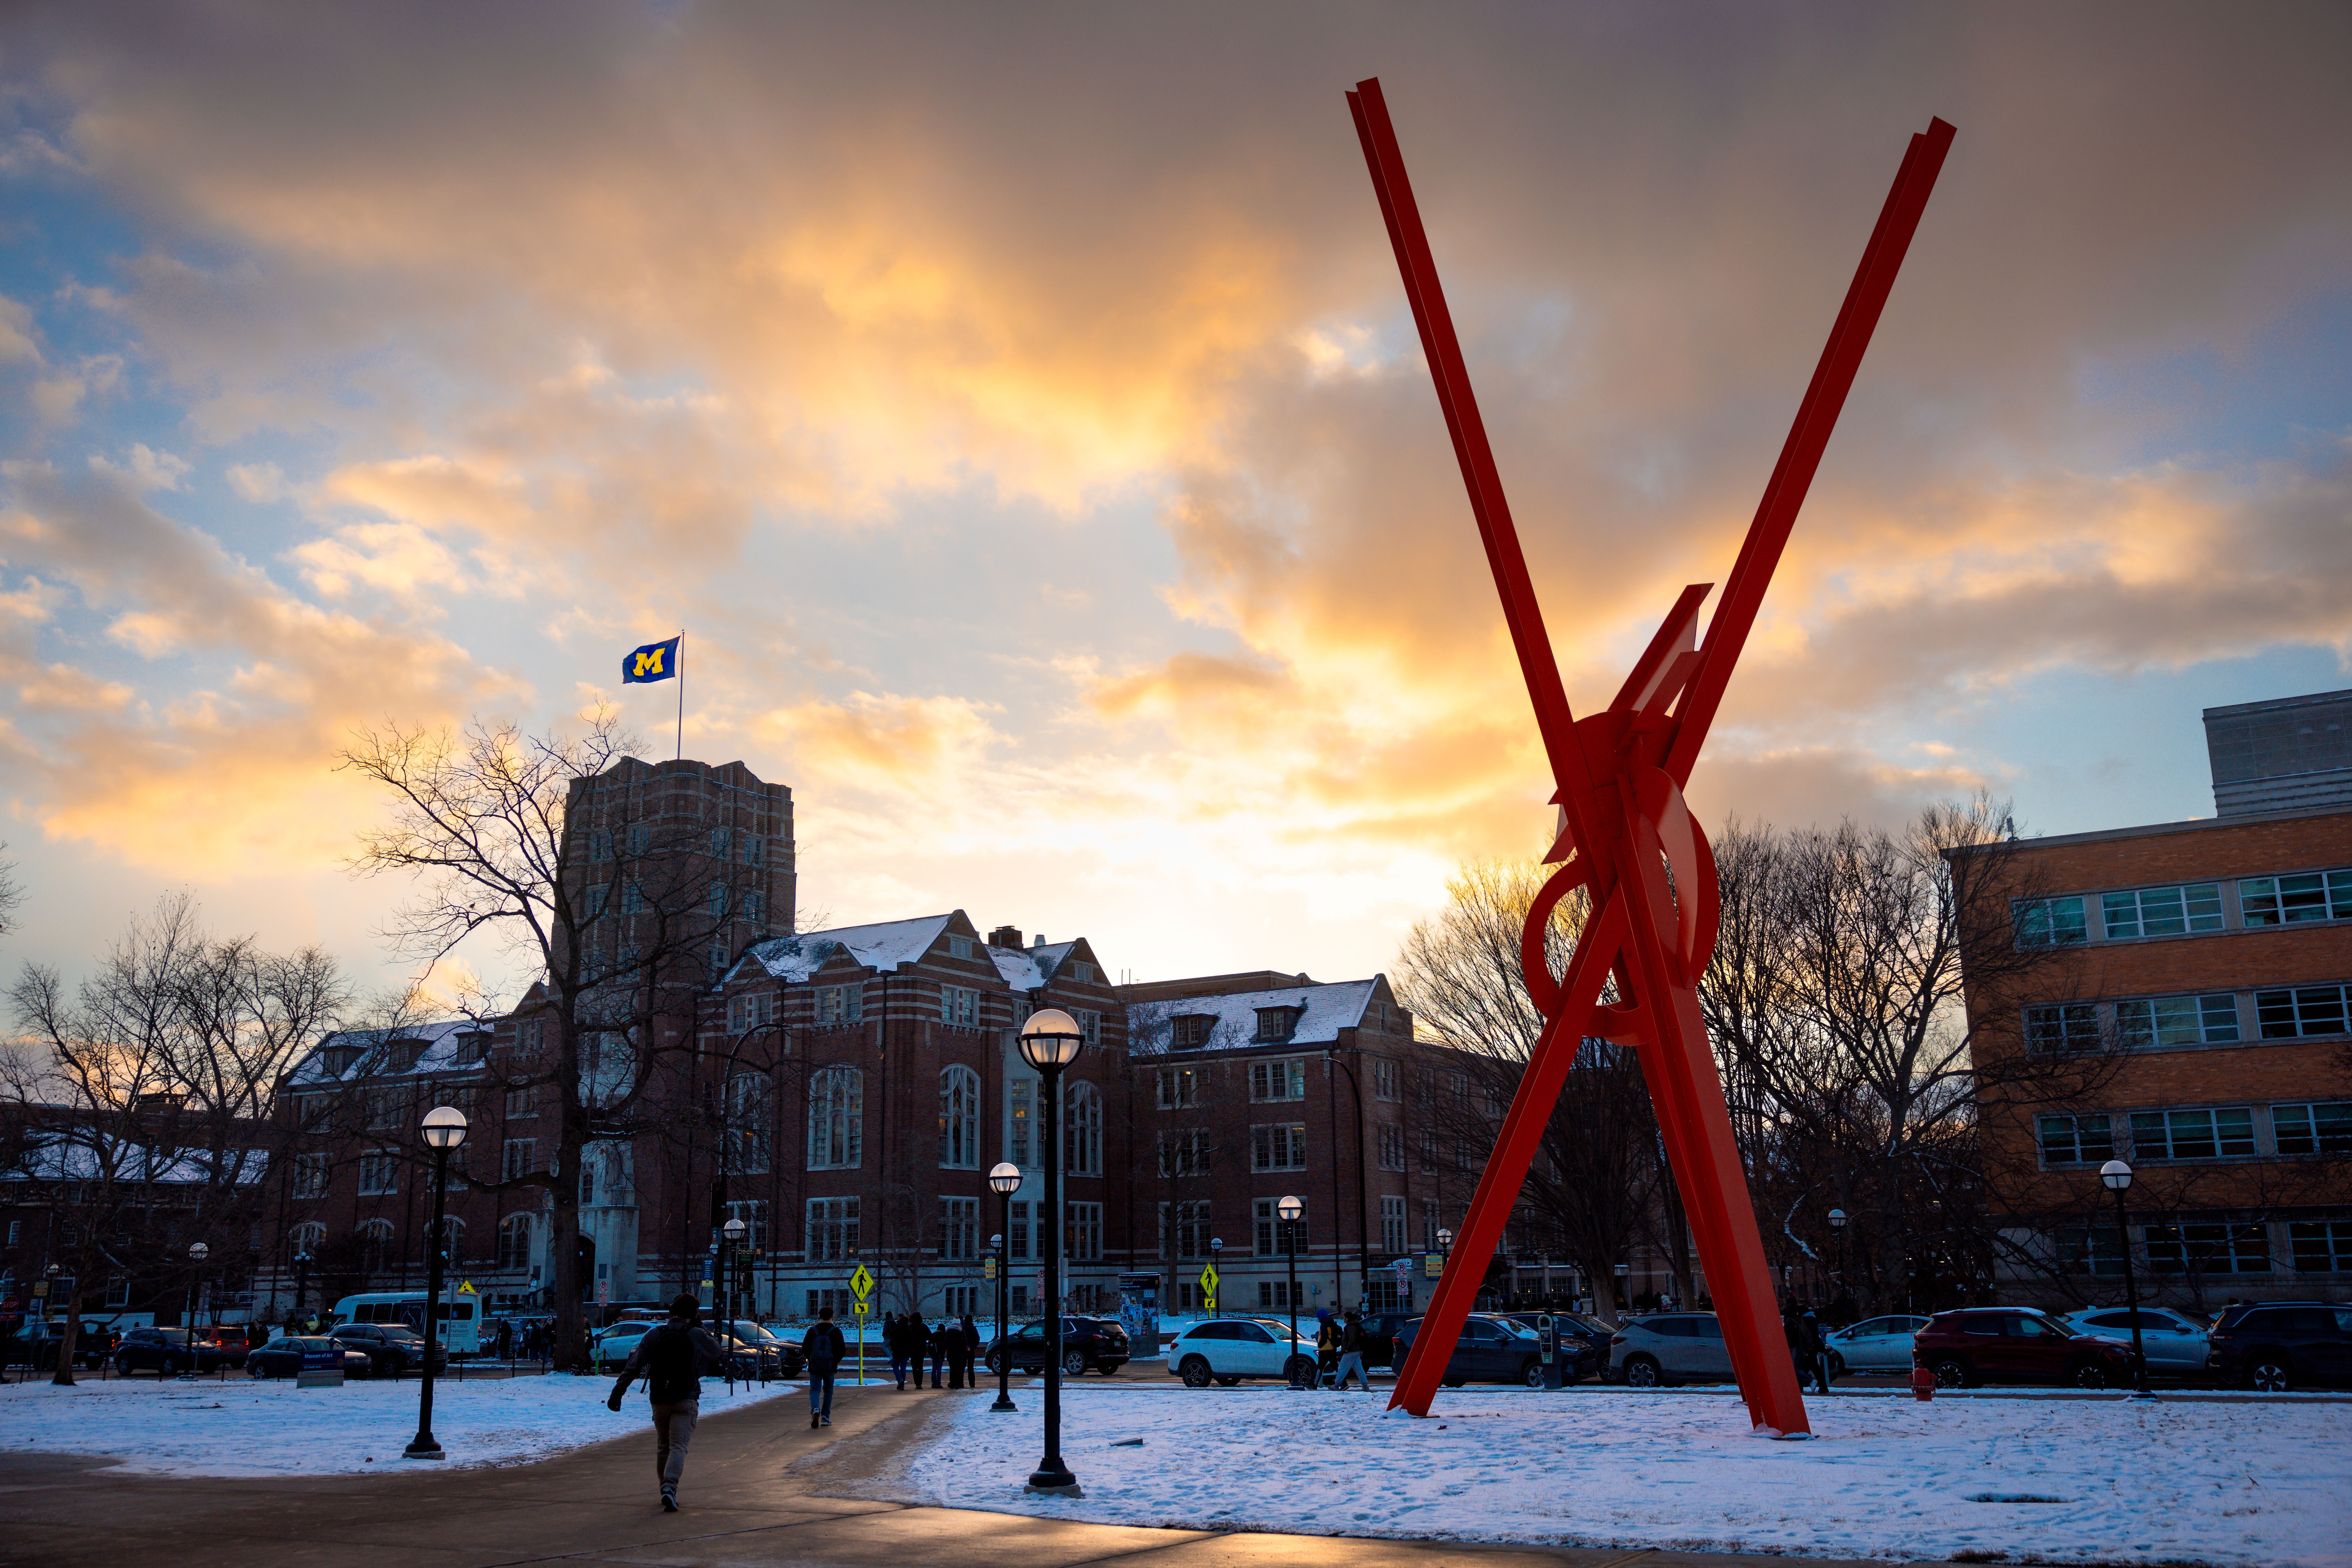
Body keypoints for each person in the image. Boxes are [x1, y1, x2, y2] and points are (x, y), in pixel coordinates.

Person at [605, 1293, 724, 1514]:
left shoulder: (654, 1334)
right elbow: (716, 1351)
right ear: (693, 1314)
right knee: (679, 1446)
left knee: (664, 1446)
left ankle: (665, 1488)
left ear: (672, 1312)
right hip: (686, 1397)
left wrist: (617, 1393)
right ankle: (670, 1486)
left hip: (659, 1397)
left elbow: (633, 1366)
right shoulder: (695, 1333)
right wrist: (700, 1327)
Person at [803, 1305, 846, 1427]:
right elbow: (842, 1350)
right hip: (830, 1366)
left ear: (820, 1316)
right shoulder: (836, 1331)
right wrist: (835, 1361)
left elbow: (805, 1348)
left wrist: (810, 1359)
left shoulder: (812, 1331)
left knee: (815, 1390)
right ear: (832, 1316)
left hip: (815, 1365)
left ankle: (815, 1409)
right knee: (828, 1391)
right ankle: (825, 1417)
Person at [1333, 1310, 1369, 1391]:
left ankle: (1337, 1385)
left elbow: (1352, 1339)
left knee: (1343, 1367)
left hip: (1351, 1351)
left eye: (1344, 1318)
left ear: (1348, 1319)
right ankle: (1365, 1386)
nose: (1343, 1320)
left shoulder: (1350, 1327)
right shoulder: (1357, 1325)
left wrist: (1347, 1349)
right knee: (1359, 1369)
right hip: (1358, 1350)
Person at [928, 1315, 955, 1389]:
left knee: (934, 1369)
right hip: (941, 1354)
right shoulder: (944, 1335)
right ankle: (938, 1383)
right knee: (939, 1369)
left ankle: (933, 1383)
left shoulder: (933, 1335)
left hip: (934, 1354)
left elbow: (930, 1344)